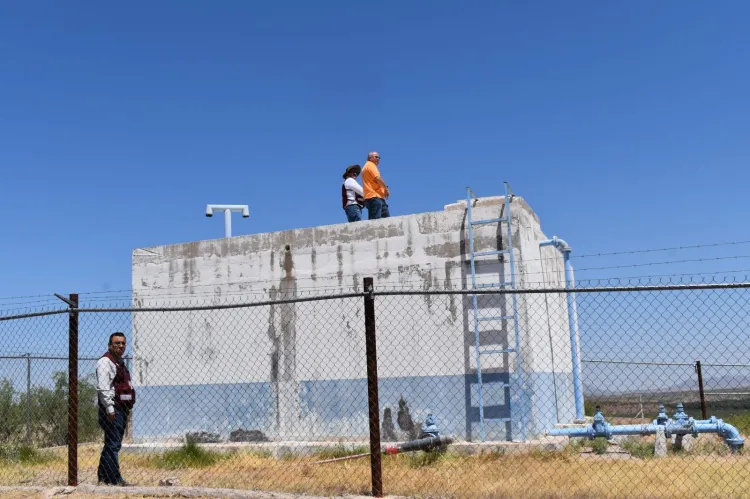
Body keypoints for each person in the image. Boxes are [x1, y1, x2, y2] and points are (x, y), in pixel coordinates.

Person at [95, 332, 136, 486]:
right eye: (117, 343)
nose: (120, 346)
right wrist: (110, 409)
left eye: (123, 343)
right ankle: (115, 479)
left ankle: (103, 476)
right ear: (109, 345)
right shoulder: (105, 362)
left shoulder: (119, 362)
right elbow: (103, 388)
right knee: (113, 444)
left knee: (112, 443)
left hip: (121, 408)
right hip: (112, 409)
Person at [361, 151, 390, 220]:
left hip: (377, 197)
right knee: (375, 221)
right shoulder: (370, 165)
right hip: (374, 196)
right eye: (376, 157)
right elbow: (378, 178)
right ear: (370, 158)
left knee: (386, 220)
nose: (378, 159)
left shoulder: (367, 166)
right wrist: (386, 189)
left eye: (379, 157)